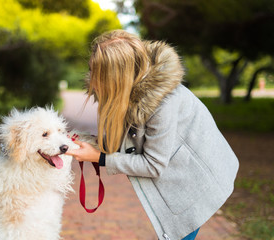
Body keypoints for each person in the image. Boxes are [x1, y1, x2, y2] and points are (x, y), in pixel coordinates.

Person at [65, 29, 239, 240]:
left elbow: (153, 164)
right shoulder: (127, 91)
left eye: (98, 73)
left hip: (196, 180)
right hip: (178, 174)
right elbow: (129, 141)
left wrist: (99, 158)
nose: (92, 80)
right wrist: (85, 141)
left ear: (116, 76)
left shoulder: (162, 103)